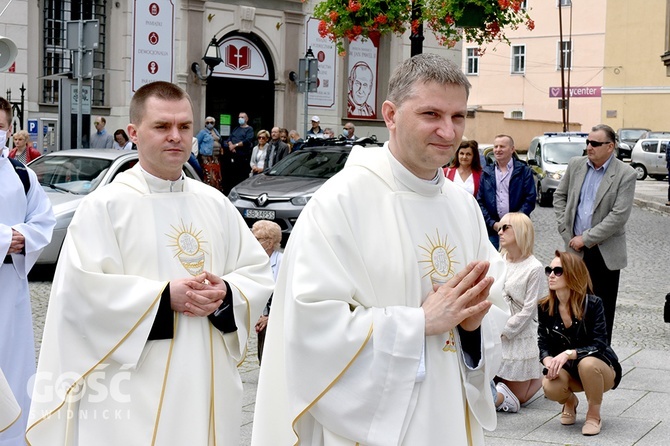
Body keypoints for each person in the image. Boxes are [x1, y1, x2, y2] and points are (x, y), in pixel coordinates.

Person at [252, 53, 509, 446]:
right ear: (390, 114)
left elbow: (492, 306)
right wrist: (418, 323)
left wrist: (473, 328)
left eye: (458, 117)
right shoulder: (339, 203)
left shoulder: (463, 206)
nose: (448, 131)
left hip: (447, 416)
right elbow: (310, 327)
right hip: (373, 427)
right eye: (431, 114)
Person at [26, 81, 274, 445]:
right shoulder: (105, 207)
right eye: (162, 127)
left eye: (184, 127)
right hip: (131, 390)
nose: (176, 136)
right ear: (134, 133)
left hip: (207, 381)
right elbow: (79, 297)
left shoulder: (216, 203)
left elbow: (256, 273)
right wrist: (161, 298)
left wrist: (228, 292)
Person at [0, 96, 56, 445]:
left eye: (0, 126)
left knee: (14, 366)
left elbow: (44, 218)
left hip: (12, 290)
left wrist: (24, 237)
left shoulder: (21, 174)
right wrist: (8, 236)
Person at [553, 124, 636, 345]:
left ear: (610, 147)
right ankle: (572, 356)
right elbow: (559, 197)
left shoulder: (625, 174)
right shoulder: (576, 165)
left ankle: (600, 363)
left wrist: (586, 238)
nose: (589, 147)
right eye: (588, 142)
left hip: (604, 254)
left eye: (595, 143)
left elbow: (618, 216)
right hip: (574, 251)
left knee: (602, 310)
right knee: (572, 305)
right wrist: (565, 230)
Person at [538, 250, 622, 436]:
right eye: (549, 270)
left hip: (600, 370)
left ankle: (594, 415)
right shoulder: (544, 307)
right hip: (569, 371)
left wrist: (569, 353)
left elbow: (600, 344)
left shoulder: (593, 304)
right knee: (550, 386)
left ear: (573, 274)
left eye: (558, 271)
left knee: (588, 363)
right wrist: (548, 361)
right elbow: (542, 343)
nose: (551, 275)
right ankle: (570, 402)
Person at [493, 212, 546, 413]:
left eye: (507, 227)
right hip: (495, 327)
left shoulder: (534, 268)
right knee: (494, 384)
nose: (500, 231)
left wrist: (504, 330)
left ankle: (544, 374)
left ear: (521, 232)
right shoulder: (499, 260)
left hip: (518, 332)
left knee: (519, 398)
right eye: (500, 227)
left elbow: (528, 311)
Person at [477, 134, 536, 250]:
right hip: (492, 230)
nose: (498, 150)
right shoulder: (487, 173)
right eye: (496, 147)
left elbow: (530, 199)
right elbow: (480, 201)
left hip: (517, 229)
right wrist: (492, 223)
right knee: (493, 264)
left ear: (512, 149)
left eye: (502, 147)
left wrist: (514, 222)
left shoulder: (524, 171)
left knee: (517, 261)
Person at [251, 220, 283, 365]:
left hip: (279, 314)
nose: (252, 241)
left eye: (257, 239)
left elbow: (284, 297)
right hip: (263, 313)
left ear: (269, 243)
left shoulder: (282, 263)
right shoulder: (256, 261)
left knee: (267, 328)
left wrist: (269, 317)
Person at [222, 112, 254, 194]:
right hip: (233, 156)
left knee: (241, 177)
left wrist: (235, 145)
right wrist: (230, 145)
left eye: (242, 117)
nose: (240, 119)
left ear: (246, 119)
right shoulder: (236, 128)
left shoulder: (249, 129)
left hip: (243, 157)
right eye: (239, 117)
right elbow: (229, 138)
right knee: (232, 176)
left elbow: (247, 141)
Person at [196, 116, 223, 190]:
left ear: (214, 123)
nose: (209, 124)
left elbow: (219, 140)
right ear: (205, 124)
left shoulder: (216, 131)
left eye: (211, 122)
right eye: (207, 122)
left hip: (216, 158)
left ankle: (217, 190)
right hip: (207, 158)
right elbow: (196, 142)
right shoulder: (203, 132)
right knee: (209, 176)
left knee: (217, 175)